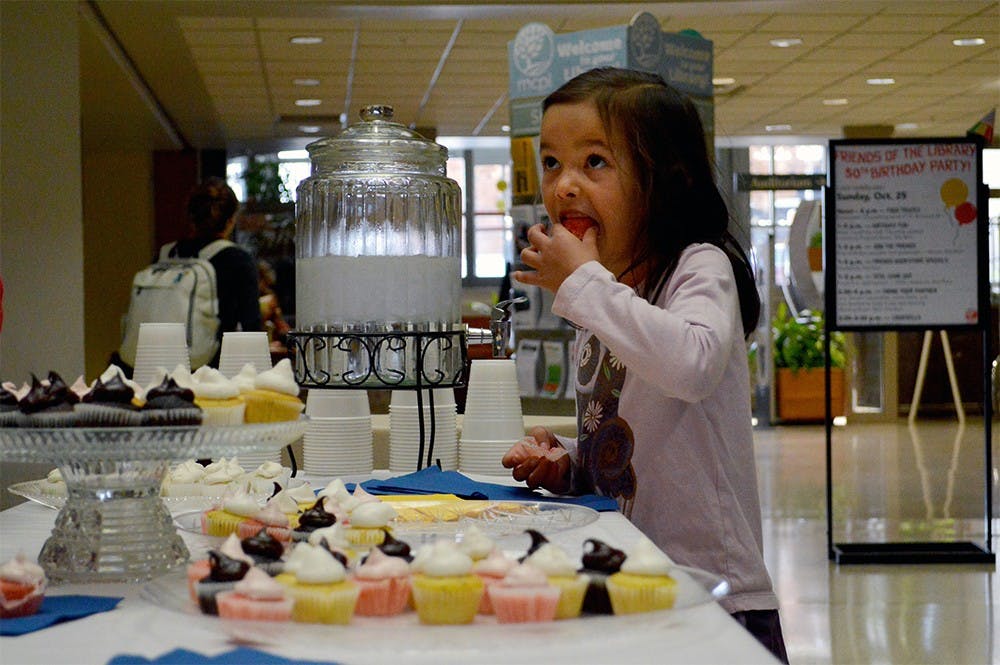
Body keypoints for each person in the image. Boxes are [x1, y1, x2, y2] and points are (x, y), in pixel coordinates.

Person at [501, 67, 788, 662]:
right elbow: (634, 442)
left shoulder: (697, 267)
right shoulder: (604, 297)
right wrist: (572, 464)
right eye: (552, 163)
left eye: (595, 163)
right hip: (632, 582)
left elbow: (691, 364)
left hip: (715, 596)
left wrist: (585, 286)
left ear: (663, 182)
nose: (565, 187)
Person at [171, 177, 263, 366]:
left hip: (160, 362)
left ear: (191, 216)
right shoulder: (238, 261)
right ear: (231, 220)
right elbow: (251, 328)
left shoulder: (166, 256)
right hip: (213, 369)